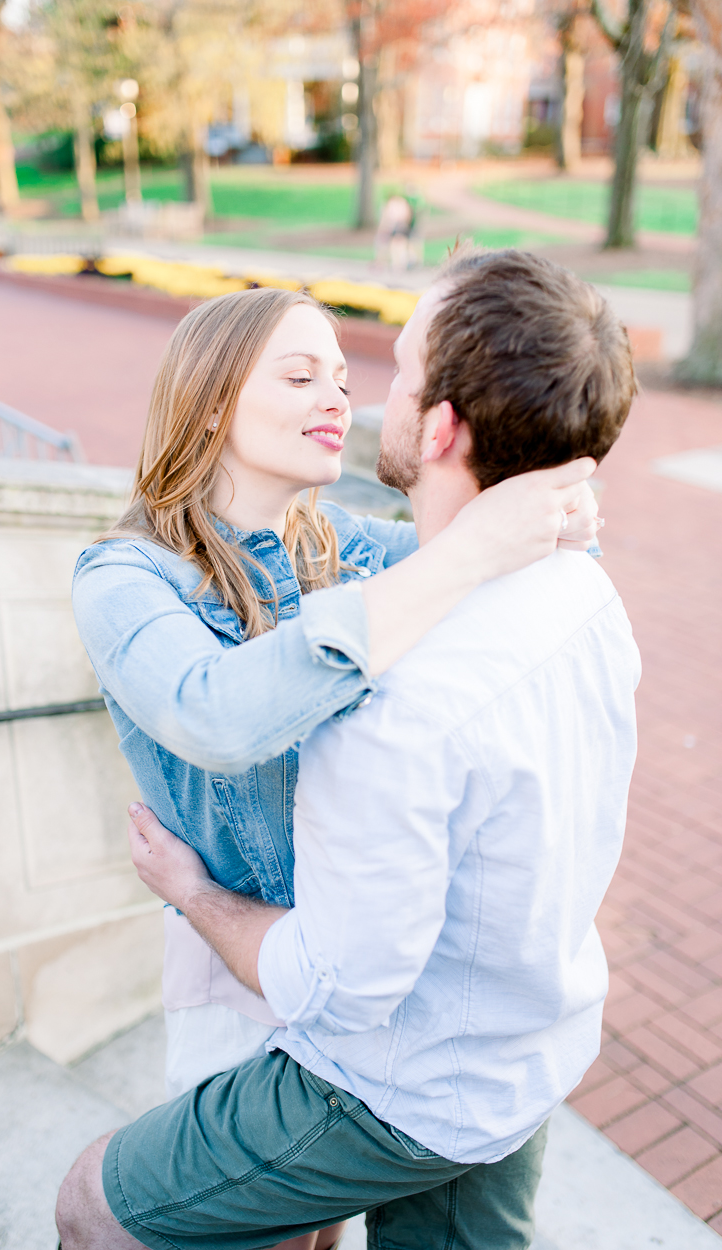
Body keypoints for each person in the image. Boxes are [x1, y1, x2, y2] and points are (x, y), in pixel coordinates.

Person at [57, 249, 639, 1250]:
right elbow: (214, 712)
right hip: (240, 947)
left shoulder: (337, 544)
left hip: (343, 958)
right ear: (206, 403)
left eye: (345, 372)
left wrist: (548, 512)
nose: (339, 392)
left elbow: (499, 545)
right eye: (299, 374)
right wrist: (474, 542)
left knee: (315, 1226)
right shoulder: (122, 577)